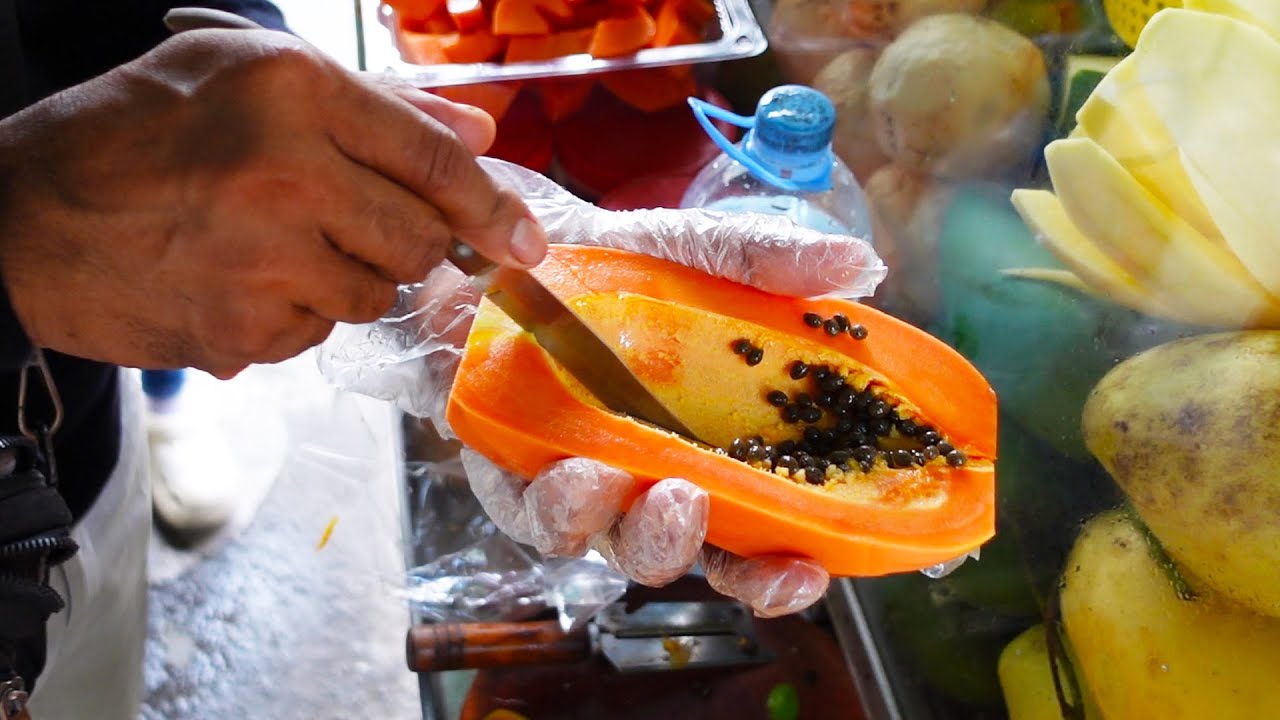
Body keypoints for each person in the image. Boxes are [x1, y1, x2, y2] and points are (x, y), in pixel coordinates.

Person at [0, 3, 837, 718]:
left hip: (61, 457)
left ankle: (144, 432)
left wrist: (271, 87)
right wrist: (17, 230)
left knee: (90, 678)